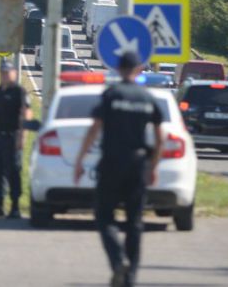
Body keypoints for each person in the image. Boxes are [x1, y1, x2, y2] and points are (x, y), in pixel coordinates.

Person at [72, 51, 164, 287]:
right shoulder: (147, 97)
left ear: (119, 70)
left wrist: (80, 160)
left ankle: (117, 259)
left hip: (112, 162)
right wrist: (152, 166)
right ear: (138, 70)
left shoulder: (111, 95)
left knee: (104, 217)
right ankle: (130, 278)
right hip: (138, 163)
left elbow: (94, 129)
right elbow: (160, 138)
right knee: (134, 222)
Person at [0, 60, 31, 219]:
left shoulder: (20, 92)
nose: (4, 75)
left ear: (14, 73)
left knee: (13, 172)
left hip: (12, 137)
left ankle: (15, 207)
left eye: (7, 72)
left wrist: (22, 136)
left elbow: (26, 114)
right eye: (2, 72)